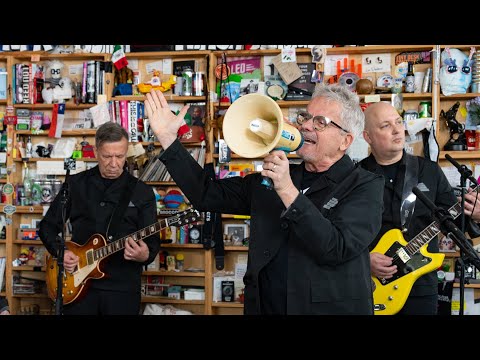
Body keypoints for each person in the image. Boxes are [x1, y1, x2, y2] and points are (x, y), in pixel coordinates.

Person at [144, 84, 384, 315]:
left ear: (345, 141)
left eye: (320, 122)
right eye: (305, 117)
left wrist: (287, 189)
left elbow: (336, 247)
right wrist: (168, 140)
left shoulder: (365, 186)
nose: (307, 126)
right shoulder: (278, 177)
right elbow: (206, 194)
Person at [38, 122, 160, 315]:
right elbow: (47, 228)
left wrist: (144, 255)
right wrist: (61, 253)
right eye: (107, 156)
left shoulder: (142, 192)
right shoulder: (76, 184)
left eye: (119, 156)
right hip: (78, 286)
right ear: (96, 151)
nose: (114, 163)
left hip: (123, 289)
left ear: (126, 151)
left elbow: (152, 242)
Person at [360, 101, 463, 315]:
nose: (397, 129)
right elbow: (337, 233)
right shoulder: (355, 176)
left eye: (398, 122)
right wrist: (363, 259)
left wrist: (476, 214)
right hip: (367, 286)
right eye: (385, 125)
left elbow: (457, 224)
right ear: (367, 137)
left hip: (420, 287)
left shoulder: (430, 171)